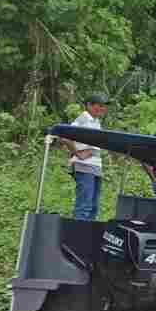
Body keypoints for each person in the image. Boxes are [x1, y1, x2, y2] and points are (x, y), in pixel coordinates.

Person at [66, 92, 109, 220]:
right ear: (89, 105)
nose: (103, 108)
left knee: (93, 206)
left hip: (95, 167)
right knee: (84, 205)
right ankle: (77, 235)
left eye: (104, 106)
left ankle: (88, 235)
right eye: (99, 105)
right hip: (84, 166)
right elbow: (65, 136)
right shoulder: (83, 118)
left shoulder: (96, 122)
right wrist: (77, 153)